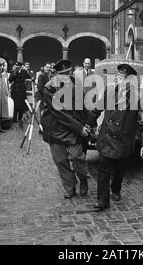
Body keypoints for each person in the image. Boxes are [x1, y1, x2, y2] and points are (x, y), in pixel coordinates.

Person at [85, 63, 143, 211]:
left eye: (122, 78)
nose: (118, 81)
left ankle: (115, 189)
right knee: (103, 169)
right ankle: (103, 200)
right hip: (106, 138)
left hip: (124, 140)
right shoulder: (109, 92)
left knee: (119, 169)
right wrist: (88, 125)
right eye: (118, 77)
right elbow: (96, 110)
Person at [40, 59, 90, 199]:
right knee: (61, 161)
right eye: (63, 74)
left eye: (68, 73)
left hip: (73, 129)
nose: (66, 76)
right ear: (57, 74)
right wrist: (80, 128)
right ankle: (70, 186)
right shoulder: (49, 87)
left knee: (77, 157)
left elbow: (84, 105)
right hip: (56, 128)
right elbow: (59, 113)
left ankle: (83, 178)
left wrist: (90, 124)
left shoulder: (76, 84)